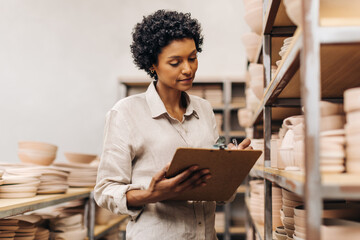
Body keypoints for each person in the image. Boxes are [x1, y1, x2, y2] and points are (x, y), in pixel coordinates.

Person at [94, 9, 252, 240]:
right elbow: (105, 191)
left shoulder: (205, 110)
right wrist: (151, 194)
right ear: (152, 65)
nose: (188, 69)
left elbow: (219, 196)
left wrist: (229, 167)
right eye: (175, 62)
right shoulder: (126, 113)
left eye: (192, 57)